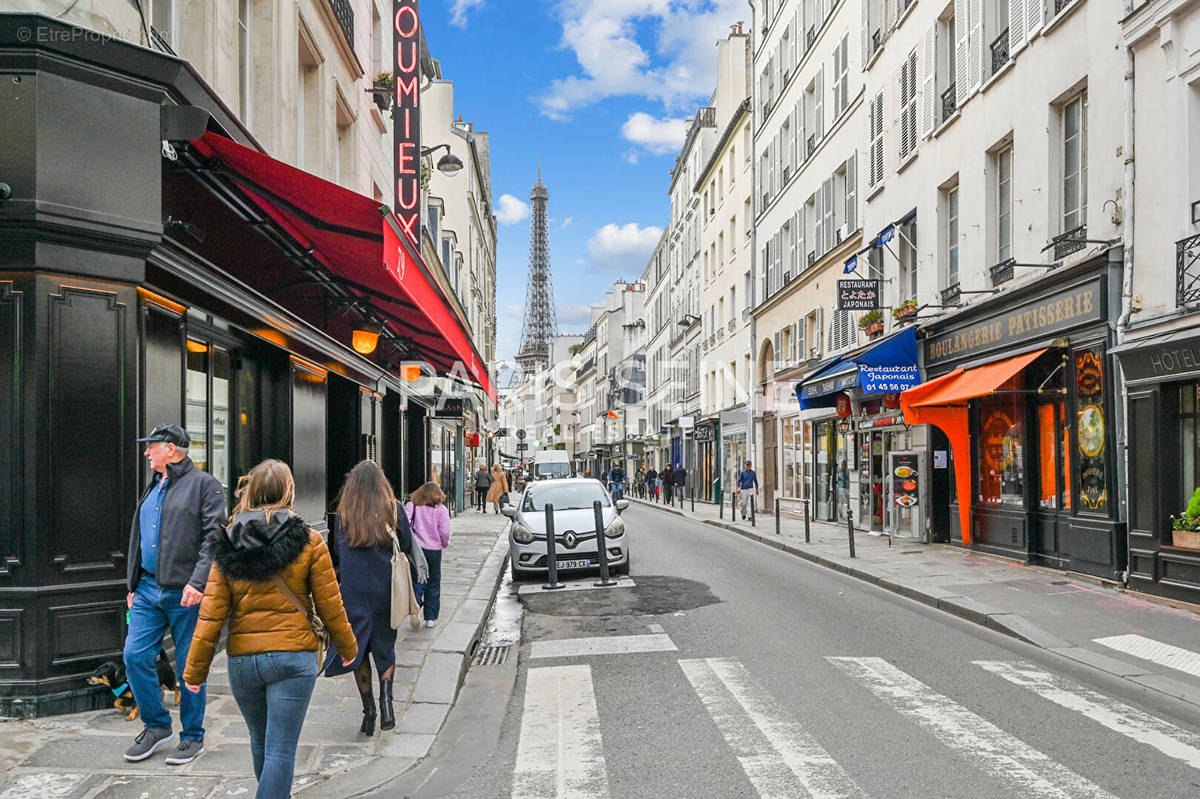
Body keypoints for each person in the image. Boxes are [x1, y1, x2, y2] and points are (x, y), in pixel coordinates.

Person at [183, 460, 357, 799]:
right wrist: (349, 649)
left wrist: (195, 671)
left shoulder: (228, 539)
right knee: (281, 749)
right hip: (293, 657)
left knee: (261, 741)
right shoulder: (308, 540)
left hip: (244, 662)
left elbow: (211, 615)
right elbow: (330, 605)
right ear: (288, 492)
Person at [122, 423, 225, 765]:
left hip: (186, 591)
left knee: (189, 667)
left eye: (152, 445)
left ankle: (192, 736)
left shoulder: (204, 485)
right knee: (135, 656)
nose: (147, 451)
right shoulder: (153, 486)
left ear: (172, 449)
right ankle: (157, 725)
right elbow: (139, 538)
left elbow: (214, 538)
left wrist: (198, 582)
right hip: (148, 589)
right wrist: (132, 585)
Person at [324, 460, 427, 736]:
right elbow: (405, 544)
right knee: (385, 646)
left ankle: (368, 711)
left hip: (354, 592)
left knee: (358, 651)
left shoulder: (343, 515)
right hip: (385, 590)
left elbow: (336, 552)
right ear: (382, 483)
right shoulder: (393, 509)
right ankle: (387, 704)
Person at [405, 482, 452, 628]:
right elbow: (445, 532)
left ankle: (416, 606)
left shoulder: (412, 506)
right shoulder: (441, 510)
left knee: (418, 579)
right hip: (434, 551)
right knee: (433, 582)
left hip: (416, 550)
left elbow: (404, 526)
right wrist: (443, 543)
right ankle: (430, 618)